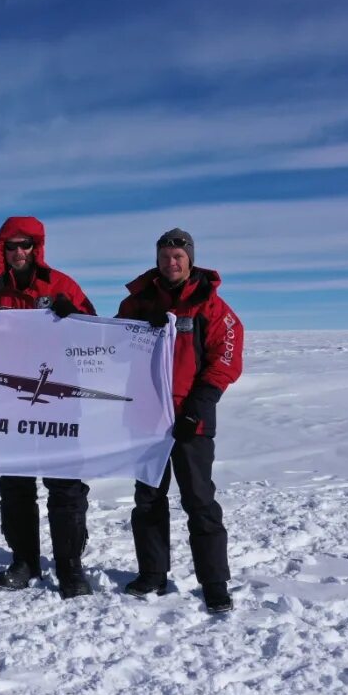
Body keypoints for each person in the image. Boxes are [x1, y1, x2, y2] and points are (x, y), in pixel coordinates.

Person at [116, 228, 243, 614]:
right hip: (146, 420)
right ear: (157, 260)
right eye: (165, 256)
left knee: (200, 501)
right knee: (148, 501)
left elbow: (226, 360)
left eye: (179, 257)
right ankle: (153, 573)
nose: (172, 263)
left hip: (192, 422)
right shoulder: (137, 303)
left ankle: (214, 582)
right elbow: (113, 349)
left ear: (190, 261)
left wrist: (197, 406)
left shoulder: (211, 307)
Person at [0, 216, 97, 599]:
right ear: (3, 251)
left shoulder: (62, 286)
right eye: (12, 246)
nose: (19, 252)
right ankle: (24, 560)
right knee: (15, 487)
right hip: (11, 404)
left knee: (66, 487)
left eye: (26, 245)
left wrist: (72, 316)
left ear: (36, 248)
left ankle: (69, 566)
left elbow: (97, 332)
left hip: (58, 403)